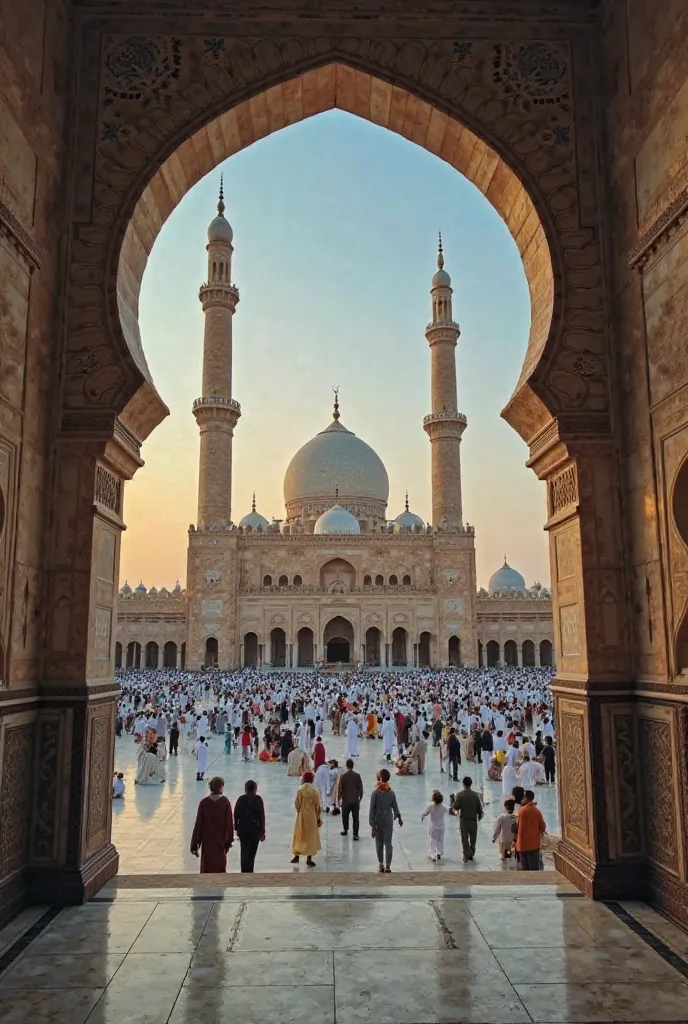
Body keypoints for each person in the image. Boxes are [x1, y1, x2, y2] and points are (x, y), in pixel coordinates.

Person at [190, 776, 234, 872]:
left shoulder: (204, 803)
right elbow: (229, 824)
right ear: (221, 787)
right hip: (220, 842)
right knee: (219, 868)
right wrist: (229, 841)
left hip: (207, 842)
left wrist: (195, 844)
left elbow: (198, 825)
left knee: (207, 867)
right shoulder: (225, 802)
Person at [369, 768, 403, 873]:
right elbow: (395, 806)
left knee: (379, 843)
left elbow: (372, 810)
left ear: (380, 777)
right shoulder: (391, 792)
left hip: (378, 821)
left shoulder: (375, 793)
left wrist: (373, 826)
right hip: (388, 820)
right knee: (388, 843)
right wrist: (399, 818)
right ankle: (388, 866)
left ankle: (381, 864)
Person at [233, 779, 266, 873]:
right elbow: (261, 816)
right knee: (252, 853)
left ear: (246, 789)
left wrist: (236, 826)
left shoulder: (241, 798)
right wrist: (262, 831)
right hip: (255, 830)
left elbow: (236, 814)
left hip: (243, 829)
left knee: (244, 851)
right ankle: (250, 871)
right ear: (255, 789)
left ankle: (244, 871)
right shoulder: (258, 799)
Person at [291, 770, 322, 867]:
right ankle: (309, 859)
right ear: (312, 779)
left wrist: (300, 811)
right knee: (310, 837)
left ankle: (296, 856)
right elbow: (318, 806)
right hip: (312, 817)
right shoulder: (315, 791)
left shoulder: (300, 790)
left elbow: (297, 804)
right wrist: (318, 818)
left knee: (299, 834)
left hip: (302, 816)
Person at [450, 776, 484, 862]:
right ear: (470, 784)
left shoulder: (460, 795)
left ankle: (466, 854)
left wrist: (454, 800)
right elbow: (479, 808)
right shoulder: (475, 795)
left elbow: (456, 807)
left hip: (464, 820)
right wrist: (479, 816)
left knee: (464, 838)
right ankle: (471, 853)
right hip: (473, 820)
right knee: (473, 839)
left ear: (463, 784)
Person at [514, 789, 546, 870]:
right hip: (534, 845)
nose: (522, 799)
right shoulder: (537, 811)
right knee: (534, 869)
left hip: (522, 845)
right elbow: (543, 827)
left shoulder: (521, 811)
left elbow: (517, 827)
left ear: (526, 798)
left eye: (523, 797)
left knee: (525, 870)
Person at [339, 758, 363, 839]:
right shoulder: (357, 776)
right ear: (353, 766)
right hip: (355, 800)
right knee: (355, 817)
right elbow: (360, 788)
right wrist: (360, 797)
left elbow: (340, 788)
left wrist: (340, 797)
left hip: (345, 800)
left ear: (346, 766)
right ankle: (355, 834)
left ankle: (345, 830)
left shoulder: (343, 776)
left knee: (345, 816)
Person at [421, 789, 448, 862]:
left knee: (432, 839)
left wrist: (422, 816)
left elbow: (425, 813)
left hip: (433, 826)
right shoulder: (444, 806)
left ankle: (432, 855)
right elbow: (450, 811)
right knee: (440, 839)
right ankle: (439, 851)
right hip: (441, 826)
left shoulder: (431, 805)